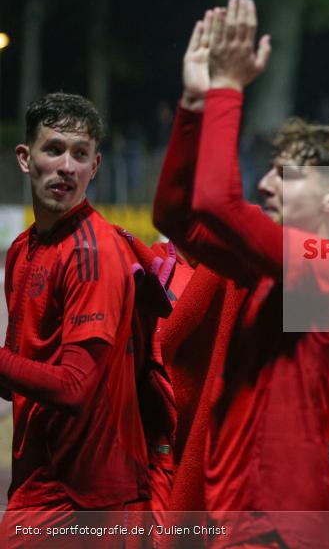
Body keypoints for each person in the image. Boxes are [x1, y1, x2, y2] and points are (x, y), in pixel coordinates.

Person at [153, 0, 329, 548]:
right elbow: (177, 215)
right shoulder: (268, 269)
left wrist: (228, 88)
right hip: (231, 512)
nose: (266, 185)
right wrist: (192, 104)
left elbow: (216, 206)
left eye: (287, 176)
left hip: (276, 522)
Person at [1, 92, 150, 544]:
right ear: (26, 158)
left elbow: (74, 387)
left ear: (95, 167)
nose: (67, 166)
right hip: (41, 481)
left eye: (80, 154)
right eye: (54, 150)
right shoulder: (21, 250)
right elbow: (15, 375)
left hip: (89, 500)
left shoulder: (94, 252)